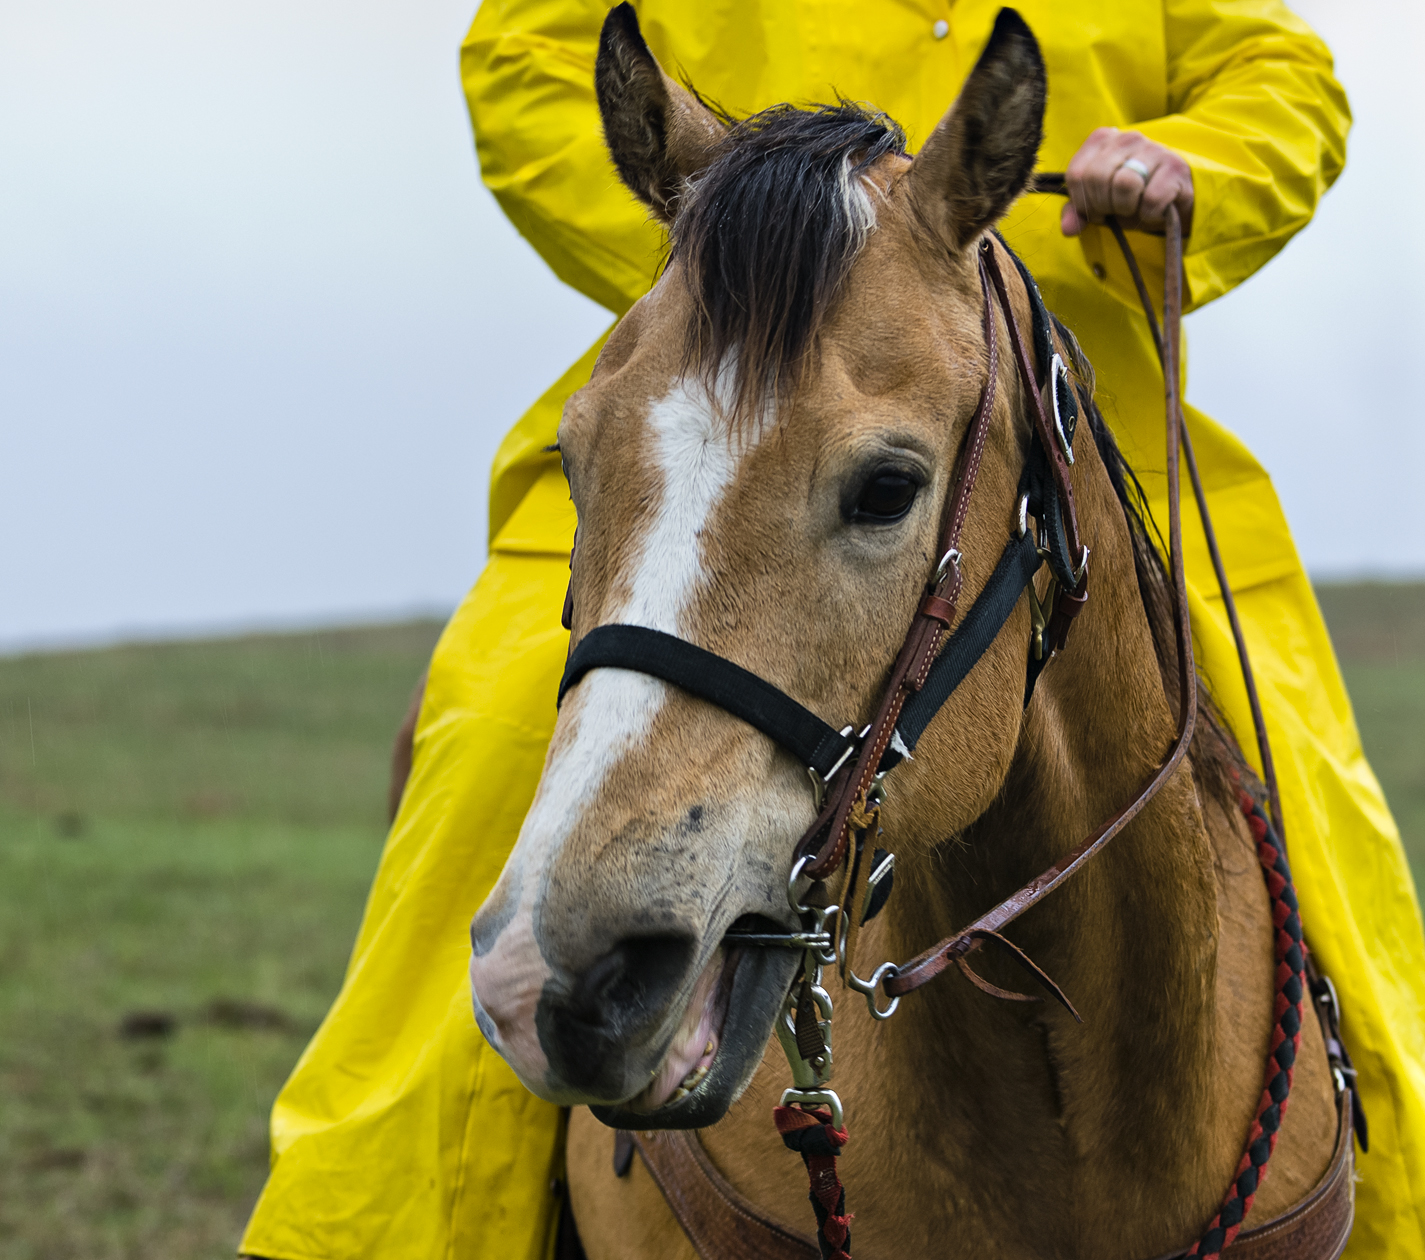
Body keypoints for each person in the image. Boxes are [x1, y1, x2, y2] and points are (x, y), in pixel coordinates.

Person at [240, 2, 1425, 1256]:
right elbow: (527, 53)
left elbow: (1275, 69)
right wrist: (764, 238)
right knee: (486, 734)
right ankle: (387, 1227)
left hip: (1097, 441)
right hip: (710, 423)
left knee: (1308, 778)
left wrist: (1202, 171)